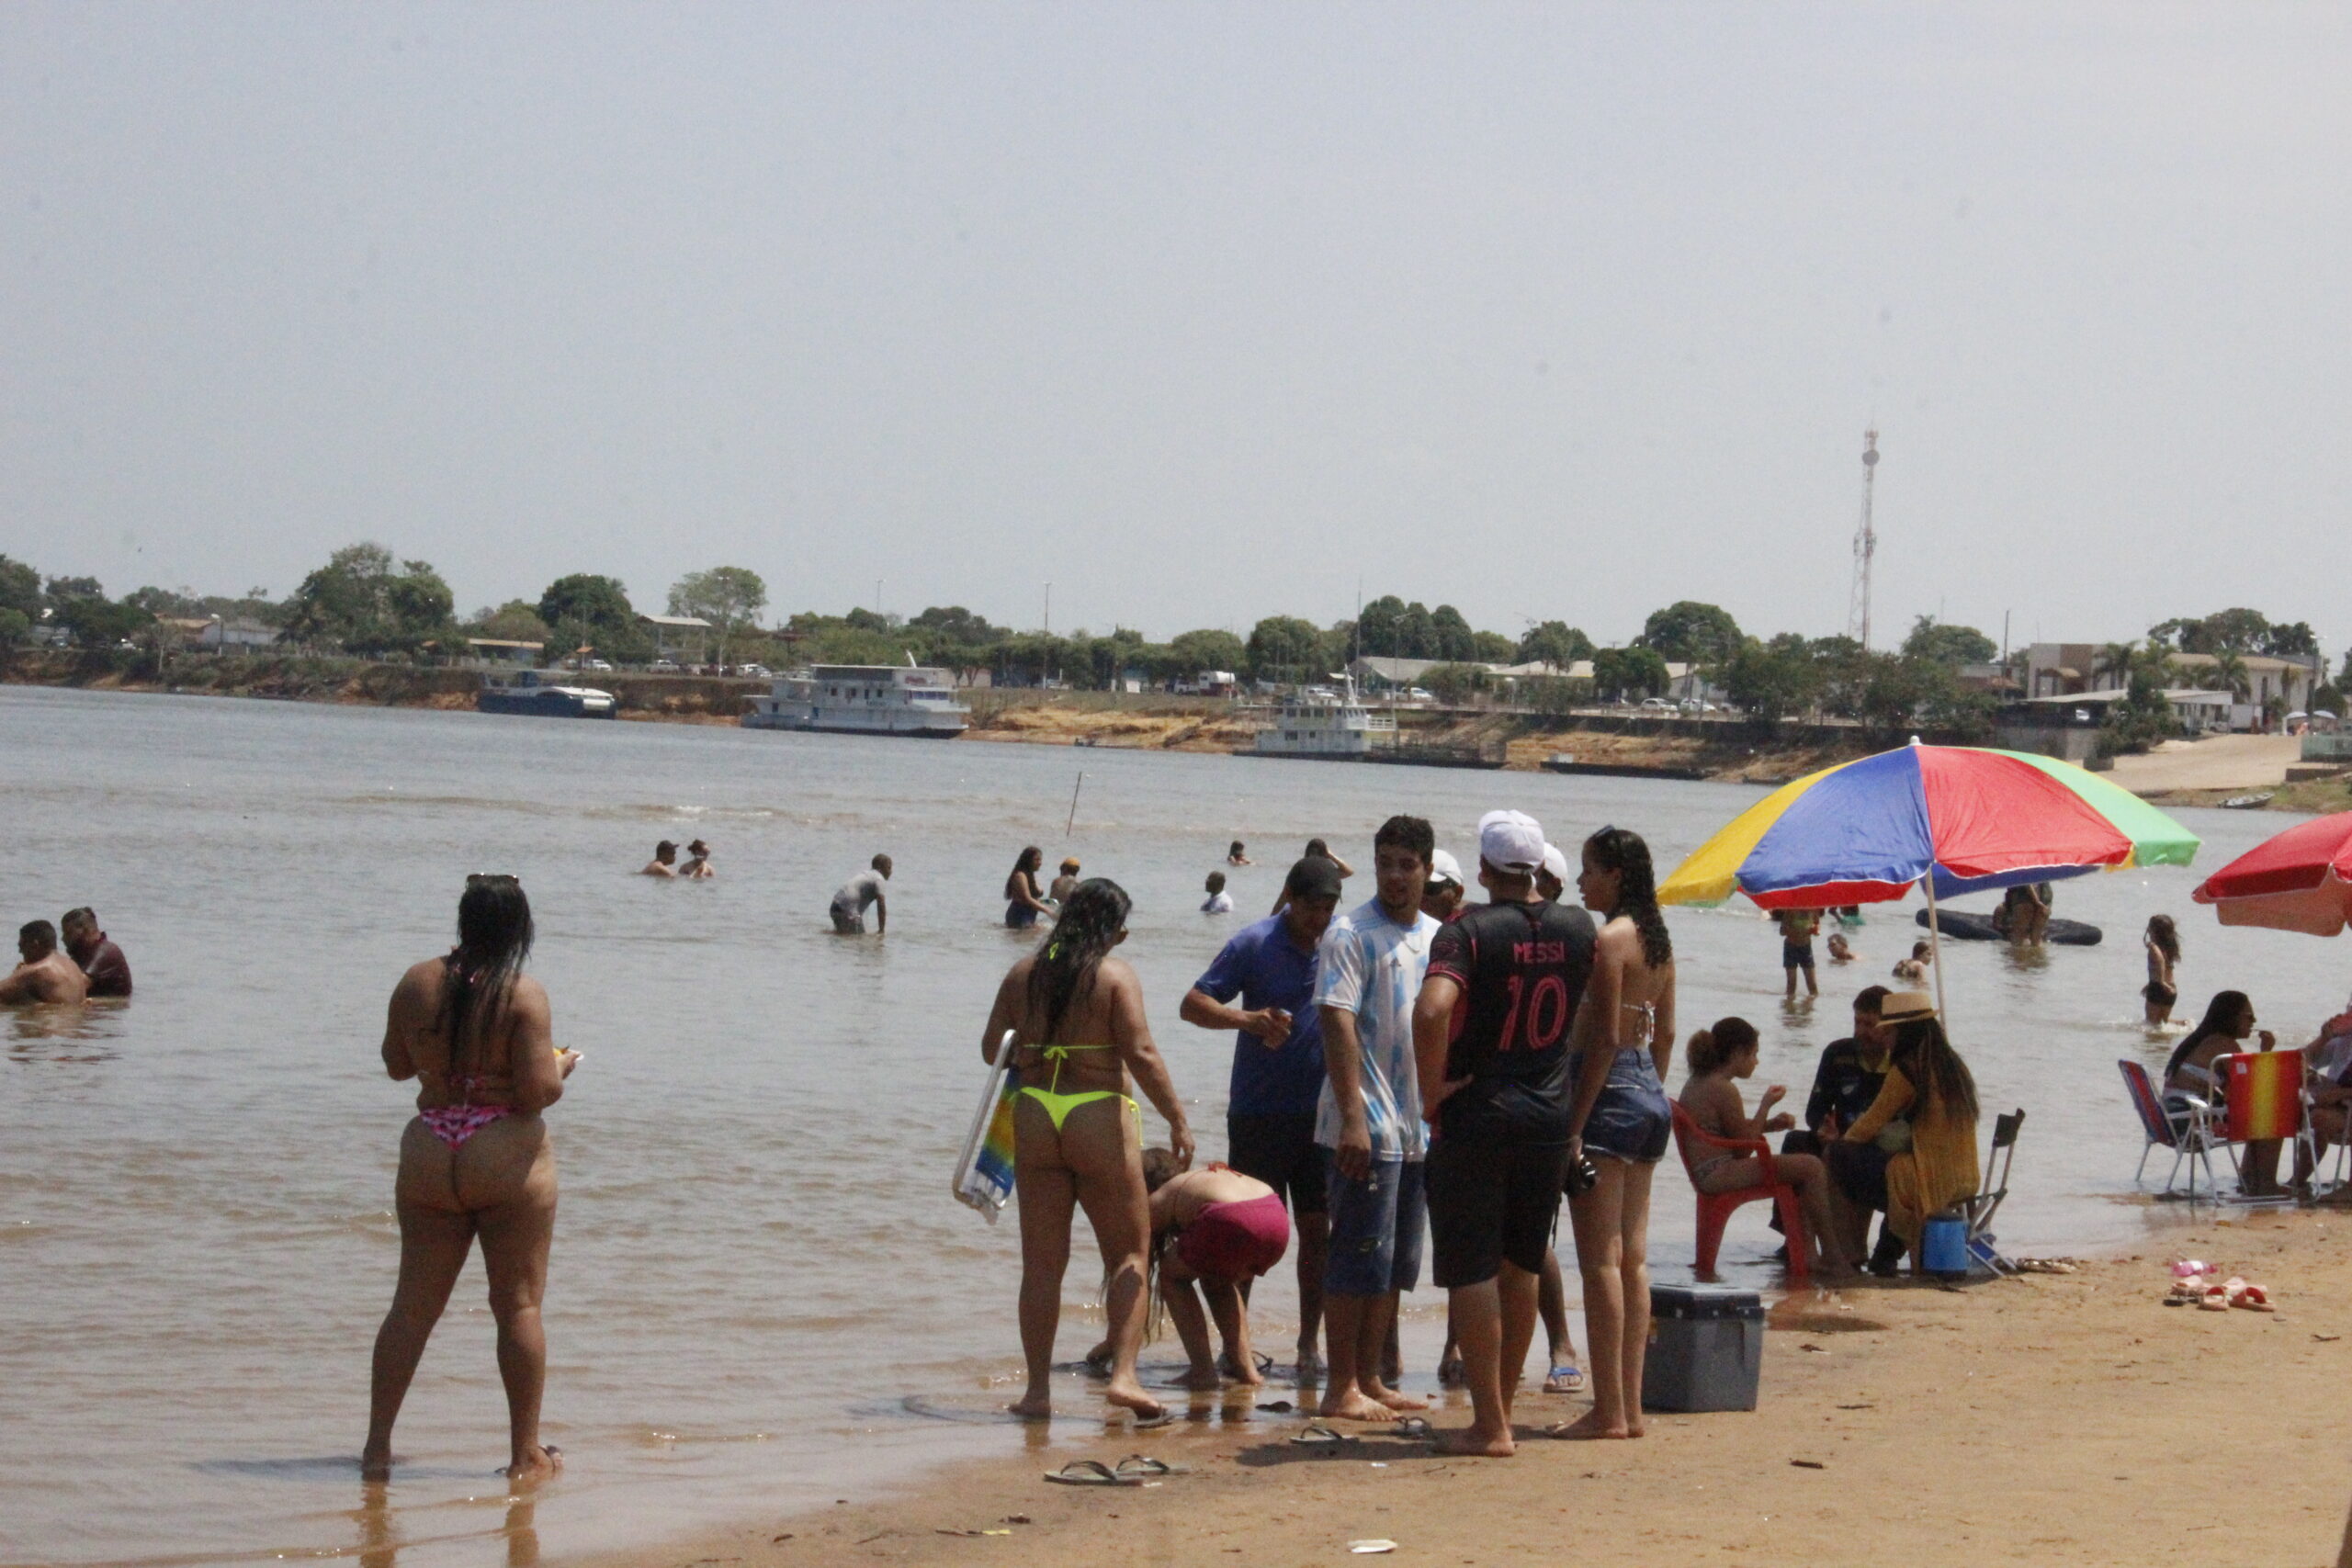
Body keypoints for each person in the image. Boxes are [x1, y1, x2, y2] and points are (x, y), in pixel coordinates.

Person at [364, 874, 580, 1483]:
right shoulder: (523, 993)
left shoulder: (416, 982)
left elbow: (396, 1065)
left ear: (464, 919)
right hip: (503, 1153)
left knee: (411, 1308)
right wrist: (561, 1067)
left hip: (431, 1149)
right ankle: (524, 1455)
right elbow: (537, 1091)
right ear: (519, 928)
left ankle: (376, 1450)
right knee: (518, 1306)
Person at [1412, 808, 1596, 1458]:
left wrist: (1431, 1088)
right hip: (1548, 1114)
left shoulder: (1466, 931)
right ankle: (1505, 1414)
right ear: (1540, 866)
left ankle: (1488, 1423)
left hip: (1478, 1112)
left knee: (1471, 1267)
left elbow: (1432, 1009)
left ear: (1485, 870)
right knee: (1522, 1263)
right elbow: (1598, 1019)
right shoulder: (1580, 927)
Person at [981, 879, 1193, 1422]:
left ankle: (1037, 1393)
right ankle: (1124, 1378)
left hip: (1035, 1114)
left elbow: (990, 1050)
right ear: (1113, 931)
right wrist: (1177, 1119)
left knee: (1041, 1267)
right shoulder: (1114, 975)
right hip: (1096, 1113)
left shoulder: (1023, 973)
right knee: (1130, 1254)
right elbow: (1141, 1052)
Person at [1181, 857, 1343, 1379]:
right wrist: (1247, 1020)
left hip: (1321, 1115)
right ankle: (1237, 1348)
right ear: (1289, 896)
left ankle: (1308, 1345)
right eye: (1312, 907)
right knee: (1245, 1236)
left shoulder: (1339, 944)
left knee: (1317, 1233)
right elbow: (1192, 1004)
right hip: (1259, 1113)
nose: (1320, 918)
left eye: (1329, 908)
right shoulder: (1254, 943)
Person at [1553, 826, 1676, 1441]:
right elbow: (1666, 1034)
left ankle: (1608, 1412)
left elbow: (1601, 1038)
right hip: (1648, 1091)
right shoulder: (1658, 941)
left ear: (1616, 875)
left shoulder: (1609, 941)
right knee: (1633, 1260)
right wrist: (1648, 1091)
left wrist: (1574, 1127)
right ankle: (1630, 1408)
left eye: (1589, 870)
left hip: (1606, 1095)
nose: (1581, 881)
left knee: (1600, 1260)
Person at [1313, 816, 1437, 1424]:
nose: (1393, 875)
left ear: (1427, 870)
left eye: (1406, 864)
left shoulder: (1439, 937)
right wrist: (1354, 1120)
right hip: (1364, 1125)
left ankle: (1370, 1377)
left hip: (1418, 1130)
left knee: (1393, 1264)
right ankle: (1340, 1386)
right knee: (1355, 1255)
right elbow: (1335, 1021)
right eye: (1385, 862)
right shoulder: (1349, 933)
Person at [1675, 1017, 1855, 1280]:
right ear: (1738, 1053)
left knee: (1803, 1166)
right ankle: (1832, 1256)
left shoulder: (1700, 1080)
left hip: (1707, 1169)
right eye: (1754, 1054)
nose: (1756, 1062)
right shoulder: (1724, 1088)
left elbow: (1727, 1131)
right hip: (1719, 1173)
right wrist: (1765, 1105)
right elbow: (1743, 1150)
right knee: (1812, 1167)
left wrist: (1769, 1125)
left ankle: (1809, 1253)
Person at [1826, 993, 1979, 1272]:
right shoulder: (1952, 1065)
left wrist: (1842, 1142)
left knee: (1838, 1155)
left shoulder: (1908, 1069)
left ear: (1905, 1033)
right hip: (1965, 1176)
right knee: (1887, 1165)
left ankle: (1849, 1253)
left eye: (1888, 1033)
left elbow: (1868, 1125)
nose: (1884, 1040)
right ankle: (1884, 1257)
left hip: (1928, 1178)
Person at [1142, 1150, 1289, 1390]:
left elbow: (1133, 1261)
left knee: (1171, 1276)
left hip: (1230, 1217)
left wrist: (1112, 1344)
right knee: (1218, 1281)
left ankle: (1202, 1371)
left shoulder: (1159, 1197)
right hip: (1276, 1216)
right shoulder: (1200, 1179)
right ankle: (1248, 1371)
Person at [1782, 985, 1904, 1273]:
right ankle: (1797, 1241)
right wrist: (1822, 1128)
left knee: (1845, 1157)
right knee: (1796, 1143)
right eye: (1857, 1022)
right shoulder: (1837, 1054)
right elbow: (1815, 1109)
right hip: (1839, 1136)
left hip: (1881, 1144)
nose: (1860, 1031)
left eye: (1869, 1025)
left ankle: (1854, 1251)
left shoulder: (1901, 1064)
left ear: (1888, 1027)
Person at [2164, 989, 2281, 1195]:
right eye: (2249, 1016)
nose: (2254, 1021)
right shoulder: (2225, 1045)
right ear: (2231, 1017)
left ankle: (2250, 1179)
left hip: (2171, 1116)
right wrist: (2266, 1053)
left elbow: (2233, 1089)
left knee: (2257, 1115)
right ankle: (2264, 1184)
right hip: (2188, 1121)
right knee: (2270, 1119)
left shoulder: (2201, 1039)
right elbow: (2252, 1089)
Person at [0, 920, 90, 1005]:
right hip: (76, 1016)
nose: (20, 951)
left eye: (21, 946)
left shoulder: (39, 970)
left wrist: (17, 974)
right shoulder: (72, 965)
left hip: (53, 1015)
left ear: (35, 945)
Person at [60, 908, 131, 998]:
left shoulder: (106, 951)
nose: (63, 939)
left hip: (110, 1006)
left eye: (68, 933)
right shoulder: (83, 954)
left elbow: (79, 985)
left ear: (85, 931)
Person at [829, 854, 891, 934]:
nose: (891, 872)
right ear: (879, 867)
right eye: (889, 867)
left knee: (843, 935)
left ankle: (820, 935)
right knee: (859, 937)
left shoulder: (866, 874)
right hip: (848, 908)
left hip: (836, 905)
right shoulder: (879, 878)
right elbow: (881, 904)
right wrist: (881, 930)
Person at [2143, 915, 2181, 1026]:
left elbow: (2160, 961)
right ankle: (2184, 1024)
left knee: (2151, 1024)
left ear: (2154, 931)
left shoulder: (2154, 946)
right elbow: (2168, 968)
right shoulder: (2169, 948)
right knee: (2163, 1023)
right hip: (2171, 988)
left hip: (2158, 986)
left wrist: (2160, 982)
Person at [1005, 846, 1055, 929]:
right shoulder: (1020, 876)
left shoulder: (1031, 876)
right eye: (1036, 860)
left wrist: (1051, 902)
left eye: (1040, 860)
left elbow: (1035, 898)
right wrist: (1048, 910)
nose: (1040, 863)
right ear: (1028, 860)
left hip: (1029, 914)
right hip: (1020, 914)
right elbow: (1027, 899)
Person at [1775, 908, 1819, 999]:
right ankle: (1789, 1004)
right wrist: (1797, 931)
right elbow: (1782, 931)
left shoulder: (1813, 910)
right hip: (1791, 947)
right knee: (1791, 984)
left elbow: (1817, 924)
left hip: (1806, 947)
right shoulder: (1790, 911)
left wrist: (1815, 929)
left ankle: (1811, 1005)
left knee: (1812, 985)